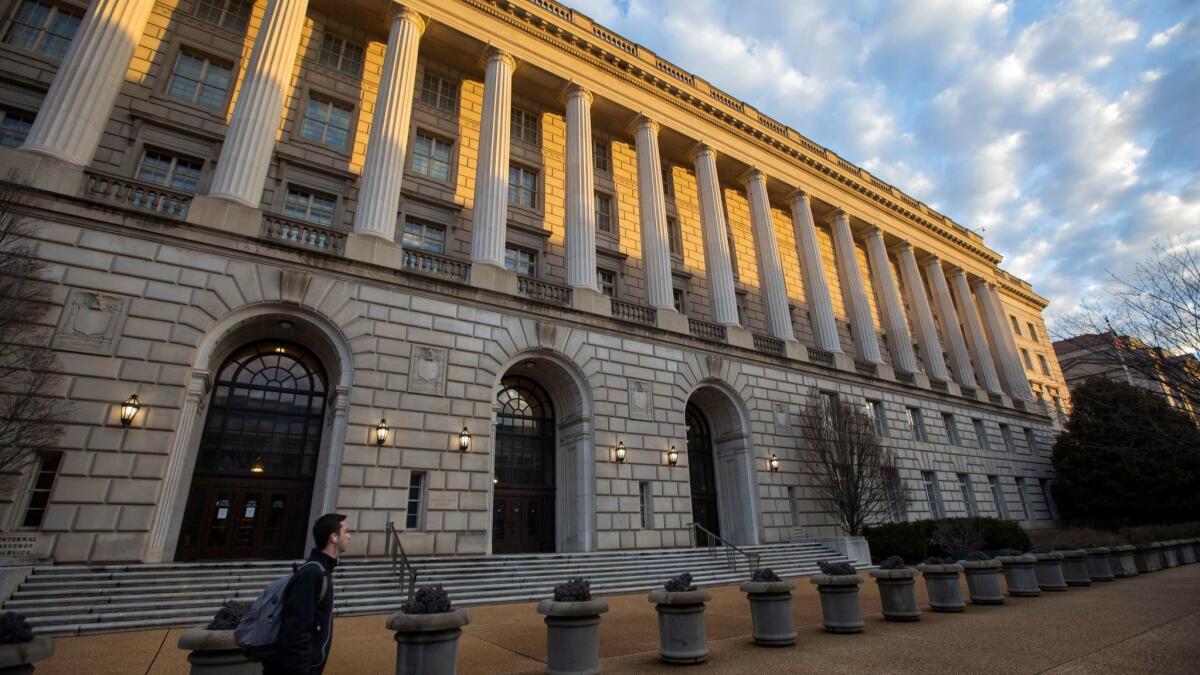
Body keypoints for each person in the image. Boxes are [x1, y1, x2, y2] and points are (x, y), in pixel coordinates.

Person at [263, 513, 351, 675]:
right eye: (346, 531)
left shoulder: (321, 571)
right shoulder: (311, 574)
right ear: (333, 537)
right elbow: (296, 633)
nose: (349, 536)